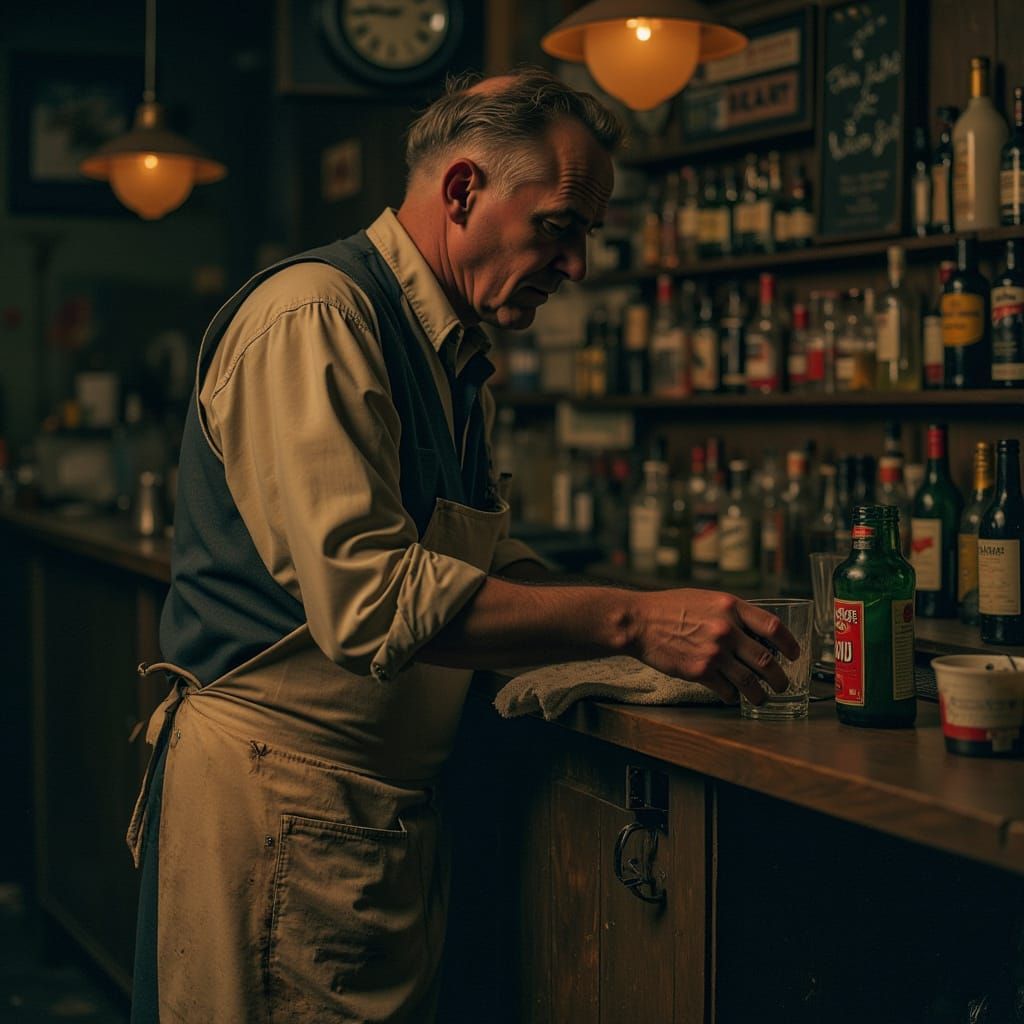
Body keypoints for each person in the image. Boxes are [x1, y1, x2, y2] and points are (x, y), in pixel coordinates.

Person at [127, 68, 799, 1023]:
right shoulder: (316, 315)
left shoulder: (451, 351)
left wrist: (651, 638)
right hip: (276, 813)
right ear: (462, 191)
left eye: (587, 236)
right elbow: (374, 603)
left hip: (361, 816)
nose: (576, 264)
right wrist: (635, 619)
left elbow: (480, 566)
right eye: (562, 226)